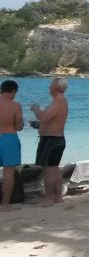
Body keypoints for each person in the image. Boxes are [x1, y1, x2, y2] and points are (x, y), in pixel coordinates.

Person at [31, 78, 69, 206]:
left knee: (49, 170)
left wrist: (36, 108)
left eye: (51, 85)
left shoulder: (59, 102)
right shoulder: (59, 102)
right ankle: (58, 196)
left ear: (57, 87)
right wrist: (39, 125)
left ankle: (48, 198)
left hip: (52, 140)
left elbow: (45, 117)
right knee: (54, 169)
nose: (48, 87)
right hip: (54, 138)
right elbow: (49, 120)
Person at [0, 79, 24, 211]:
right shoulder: (15, 105)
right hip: (9, 138)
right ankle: (5, 205)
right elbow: (19, 127)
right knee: (8, 173)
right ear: (13, 91)